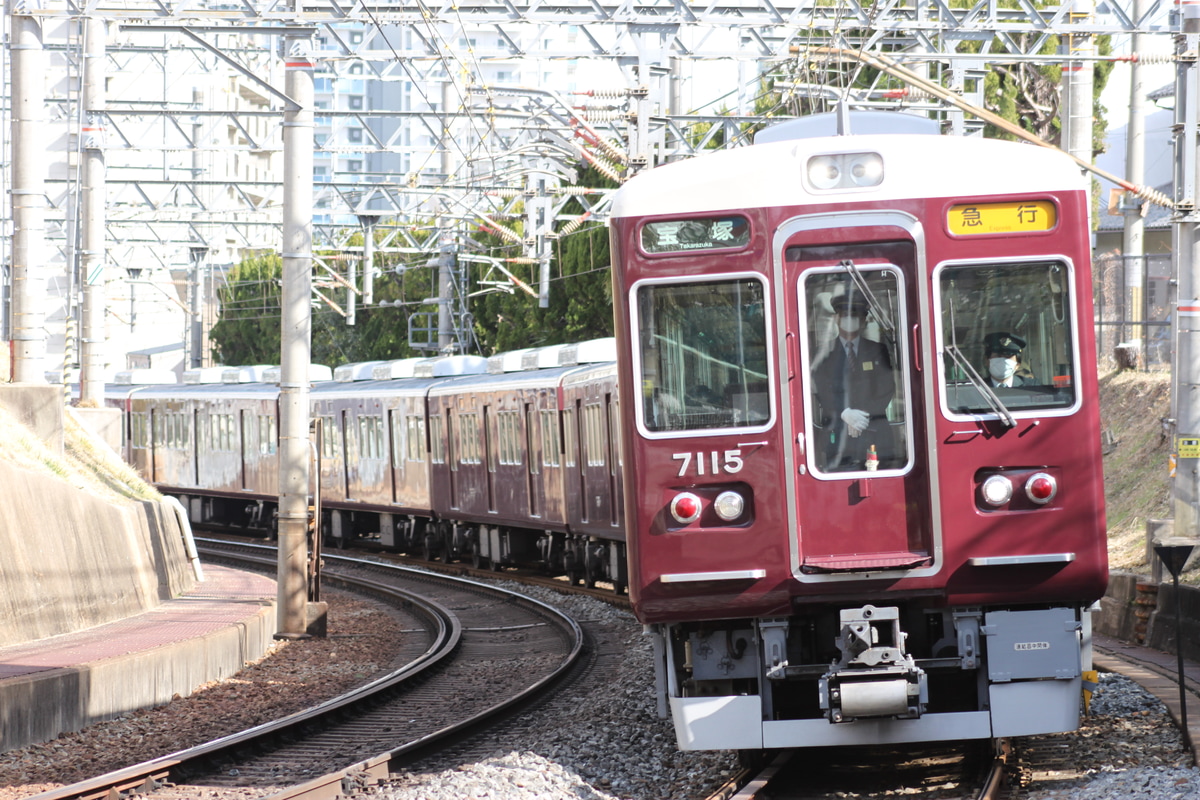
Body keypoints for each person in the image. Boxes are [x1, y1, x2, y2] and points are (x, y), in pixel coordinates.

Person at [812, 294, 896, 471]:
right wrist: (844, 413)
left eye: (856, 316)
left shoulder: (878, 350)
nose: (850, 320)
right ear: (836, 319)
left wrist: (861, 418)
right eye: (845, 316)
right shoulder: (823, 353)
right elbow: (821, 390)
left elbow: (886, 388)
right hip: (837, 438)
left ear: (864, 321)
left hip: (875, 434)